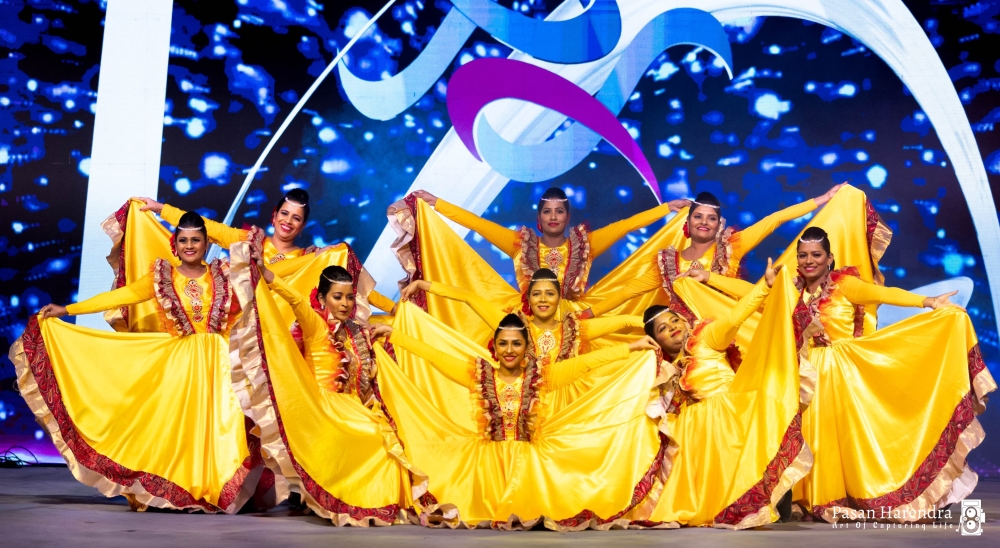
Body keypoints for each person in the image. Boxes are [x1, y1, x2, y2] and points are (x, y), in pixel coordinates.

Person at [11, 213, 264, 513]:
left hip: (221, 364)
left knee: (225, 424)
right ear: (175, 243)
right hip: (181, 366)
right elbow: (121, 296)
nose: (190, 245)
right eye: (183, 240)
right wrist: (68, 309)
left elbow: (254, 257)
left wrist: (163, 207)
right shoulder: (163, 277)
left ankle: (217, 486)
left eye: (196, 239)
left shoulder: (223, 275)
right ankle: (183, 485)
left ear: (207, 242)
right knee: (180, 427)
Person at [373, 303, 669, 529]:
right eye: (503, 343)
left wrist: (630, 347)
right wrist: (396, 336)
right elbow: (435, 357)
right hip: (486, 466)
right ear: (495, 347)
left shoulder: (542, 376)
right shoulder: (479, 375)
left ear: (527, 348)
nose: (510, 350)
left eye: (517, 343)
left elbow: (586, 363)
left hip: (530, 465)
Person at [777, 227, 992, 521]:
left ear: (830, 258)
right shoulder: (792, 290)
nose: (809, 261)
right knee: (813, 439)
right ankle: (813, 497)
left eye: (816, 255)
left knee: (863, 441)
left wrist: (927, 302)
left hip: (844, 374)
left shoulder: (845, 284)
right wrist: (709, 279)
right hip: (808, 375)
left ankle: (906, 492)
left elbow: (882, 293)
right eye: (803, 255)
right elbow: (757, 299)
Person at [218, 243, 425, 525]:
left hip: (353, 408)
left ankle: (370, 498)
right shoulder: (316, 326)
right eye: (337, 297)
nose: (345, 303)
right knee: (373, 437)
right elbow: (296, 301)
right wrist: (266, 274)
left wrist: (394, 329)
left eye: (350, 298)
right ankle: (348, 500)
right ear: (323, 298)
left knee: (390, 436)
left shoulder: (358, 331)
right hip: (321, 408)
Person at [385, 188, 688, 343]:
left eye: (559, 211)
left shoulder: (584, 245)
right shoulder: (521, 244)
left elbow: (626, 226)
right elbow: (478, 224)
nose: (553, 216)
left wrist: (665, 209)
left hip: (575, 316)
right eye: (547, 211)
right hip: (527, 318)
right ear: (539, 218)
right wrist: (437, 203)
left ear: (567, 217)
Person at [642, 263, 815, 528]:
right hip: (698, 428)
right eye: (663, 328)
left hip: (728, 413)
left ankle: (768, 499)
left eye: (674, 320)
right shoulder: (668, 368)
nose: (672, 328)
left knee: (748, 463)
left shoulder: (705, 337)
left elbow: (735, 317)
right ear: (657, 340)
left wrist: (763, 288)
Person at [131, 189, 394, 324]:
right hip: (241, 324)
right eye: (285, 214)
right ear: (274, 215)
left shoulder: (312, 258)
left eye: (296, 218)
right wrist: (161, 208)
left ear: (302, 226)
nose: (288, 221)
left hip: (283, 331)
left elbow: (353, 286)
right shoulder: (252, 241)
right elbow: (209, 228)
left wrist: (394, 309)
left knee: (339, 254)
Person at [586, 183, 846, 319]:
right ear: (686, 223)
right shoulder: (669, 264)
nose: (703, 222)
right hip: (687, 341)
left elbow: (773, 220)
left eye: (711, 218)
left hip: (729, 328)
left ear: (719, 224)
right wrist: (588, 314)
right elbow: (627, 291)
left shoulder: (731, 247)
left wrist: (822, 199)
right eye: (698, 216)